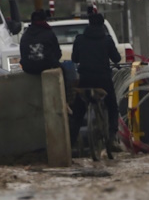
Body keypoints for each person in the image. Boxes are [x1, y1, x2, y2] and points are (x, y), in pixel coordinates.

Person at [71, 12, 122, 151]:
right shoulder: (107, 40)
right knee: (112, 106)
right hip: (103, 80)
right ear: (102, 24)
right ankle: (112, 137)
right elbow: (117, 58)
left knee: (78, 111)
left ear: (89, 23)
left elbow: (74, 59)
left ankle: (71, 142)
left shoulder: (80, 39)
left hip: (85, 80)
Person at [19, 9, 61, 76]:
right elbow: (57, 53)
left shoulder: (25, 35)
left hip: (28, 68)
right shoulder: (48, 33)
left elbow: (23, 53)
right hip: (46, 66)